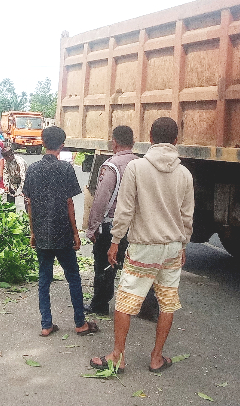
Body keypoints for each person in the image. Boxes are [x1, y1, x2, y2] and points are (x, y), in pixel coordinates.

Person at [90, 117, 193, 373]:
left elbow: (125, 210)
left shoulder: (137, 168)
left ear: (150, 138)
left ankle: (118, 356)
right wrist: (183, 245)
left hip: (144, 247)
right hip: (171, 248)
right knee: (167, 302)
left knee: (125, 301)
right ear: (176, 140)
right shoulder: (185, 174)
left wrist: (114, 241)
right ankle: (156, 358)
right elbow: (187, 216)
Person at [24, 126, 98, 337]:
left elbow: (29, 204)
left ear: (43, 142)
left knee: (44, 279)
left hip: (42, 233)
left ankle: (46, 324)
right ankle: (80, 323)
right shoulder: (66, 169)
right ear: (62, 145)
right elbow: (69, 204)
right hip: (63, 232)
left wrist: (33, 232)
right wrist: (76, 233)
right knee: (73, 277)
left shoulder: (33, 169)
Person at [84, 126, 138, 315]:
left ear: (114, 142)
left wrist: (92, 228)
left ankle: (100, 305)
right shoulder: (140, 164)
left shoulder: (111, 166)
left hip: (112, 226)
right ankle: (142, 307)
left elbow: (100, 200)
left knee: (105, 265)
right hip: (135, 226)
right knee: (136, 267)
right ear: (133, 142)